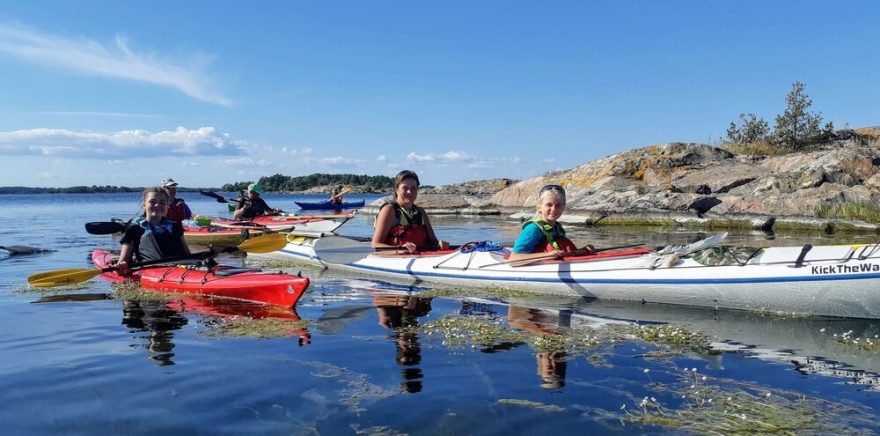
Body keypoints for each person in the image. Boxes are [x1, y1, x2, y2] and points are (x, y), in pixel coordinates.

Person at [507, 184, 590, 265]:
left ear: (563, 207)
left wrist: (583, 250)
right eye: (549, 205)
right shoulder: (532, 229)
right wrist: (547, 255)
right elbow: (513, 259)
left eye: (558, 205)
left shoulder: (557, 227)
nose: (553, 209)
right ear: (539, 206)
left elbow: (560, 251)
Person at [116, 187, 192, 274]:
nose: (157, 205)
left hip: (180, 269)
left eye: (162, 202)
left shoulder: (174, 226)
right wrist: (122, 266)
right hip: (151, 272)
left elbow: (188, 255)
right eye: (152, 202)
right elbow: (123, 262)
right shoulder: (134, 228)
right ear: (144, 204)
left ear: (167, 205)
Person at [372, 170, 449, 253]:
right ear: (396, 189)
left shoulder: (421, 212)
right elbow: (375, 244)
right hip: (397, 260)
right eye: (405, 188)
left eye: (413, 188)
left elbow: (433, 241)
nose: (410, 192)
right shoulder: (389, 210)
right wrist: (399, 250)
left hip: (421, 258)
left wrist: (440, 244)